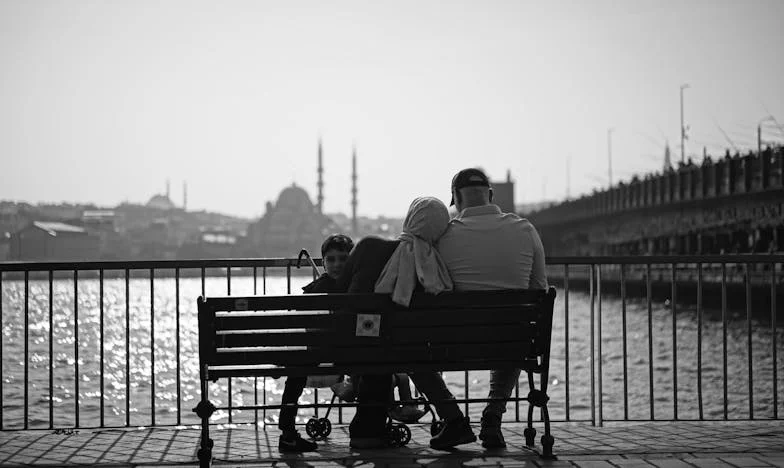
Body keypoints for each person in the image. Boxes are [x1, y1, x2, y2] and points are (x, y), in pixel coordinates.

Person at [437, 167, 547, 449]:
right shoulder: (525, 229)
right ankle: (493, 417)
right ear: (490, 195)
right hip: (515, 342)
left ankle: (453, 419)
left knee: (407, 351)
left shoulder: (444, 236)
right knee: (513, 333)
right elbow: (539, 289)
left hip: (455, 343)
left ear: (455, 199)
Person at [335, 196, 457, 449]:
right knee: (388, 344)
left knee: (373, 339)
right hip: (408, 349)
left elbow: (339, 292)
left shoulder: (369, 246)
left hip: (351, 346)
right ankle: (371, 425)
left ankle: (367, 426)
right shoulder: (432, 267)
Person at [278, 234, 354, 453]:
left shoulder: (314, 289)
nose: (337, 264)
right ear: (324, 262)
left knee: (297, 369)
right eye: (332, 259)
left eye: (342, 258)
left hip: (323, 353)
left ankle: (288, 433)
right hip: (353, 354)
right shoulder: (359, 285)